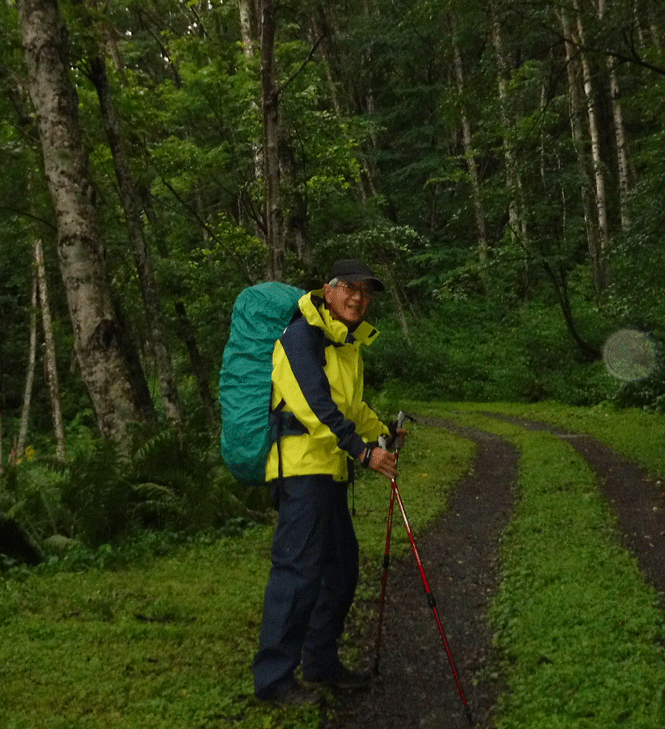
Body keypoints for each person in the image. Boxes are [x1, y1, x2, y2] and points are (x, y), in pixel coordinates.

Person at [252, 259, 406, 705]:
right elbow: (313, 404)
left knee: (341, 571)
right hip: (301, 470)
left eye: (366, 292)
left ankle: (320, 663)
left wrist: (382, 433)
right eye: (350, 289)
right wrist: (363, 451)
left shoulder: (344, 345)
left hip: (330, 469)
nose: (358, 297)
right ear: (328, 291)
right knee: (298, 573)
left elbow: (350, 407)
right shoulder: (300, 336)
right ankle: (274, 680)